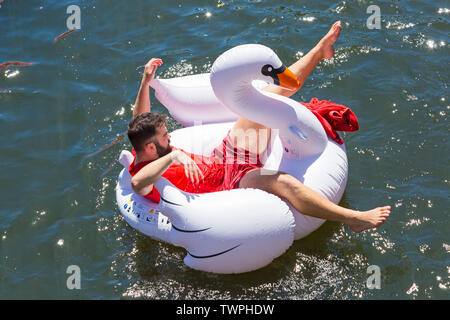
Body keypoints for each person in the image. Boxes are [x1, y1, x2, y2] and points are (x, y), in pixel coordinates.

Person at [127, 21, 391, 233]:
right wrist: (173, 155)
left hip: (224, 156)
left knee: (270, 95)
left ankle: (319, 51)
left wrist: (145, 80)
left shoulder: (145, 145)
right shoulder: (144, 175)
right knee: (284, 183)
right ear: (150, 147)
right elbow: (138, 183)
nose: (170, 136)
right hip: (229, 184)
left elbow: (140, 120)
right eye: (164, 136)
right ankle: (354, 218)